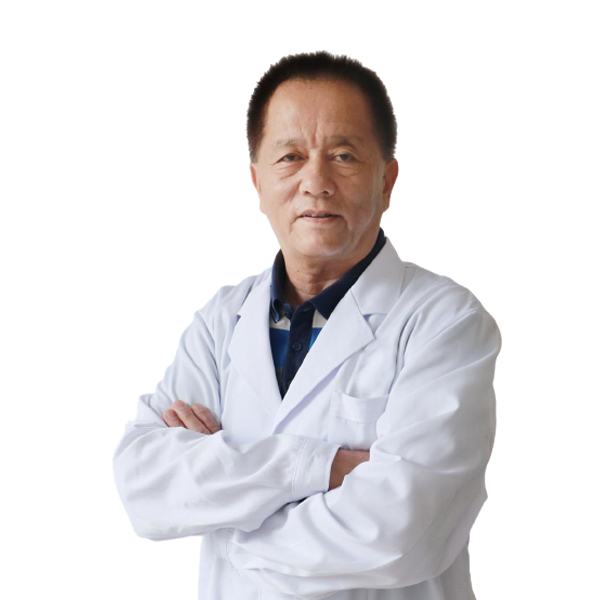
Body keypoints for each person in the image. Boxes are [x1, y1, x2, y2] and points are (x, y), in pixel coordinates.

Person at [112, 50, 502, 600]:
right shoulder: (221, 321)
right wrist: (323, 467)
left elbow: (400, 532)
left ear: (387, 180)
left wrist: (228, 517)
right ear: (257, 182)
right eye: (290, 156)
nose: (315, 181)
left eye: (343, 156)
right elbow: (145, 487)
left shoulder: (444, 323)